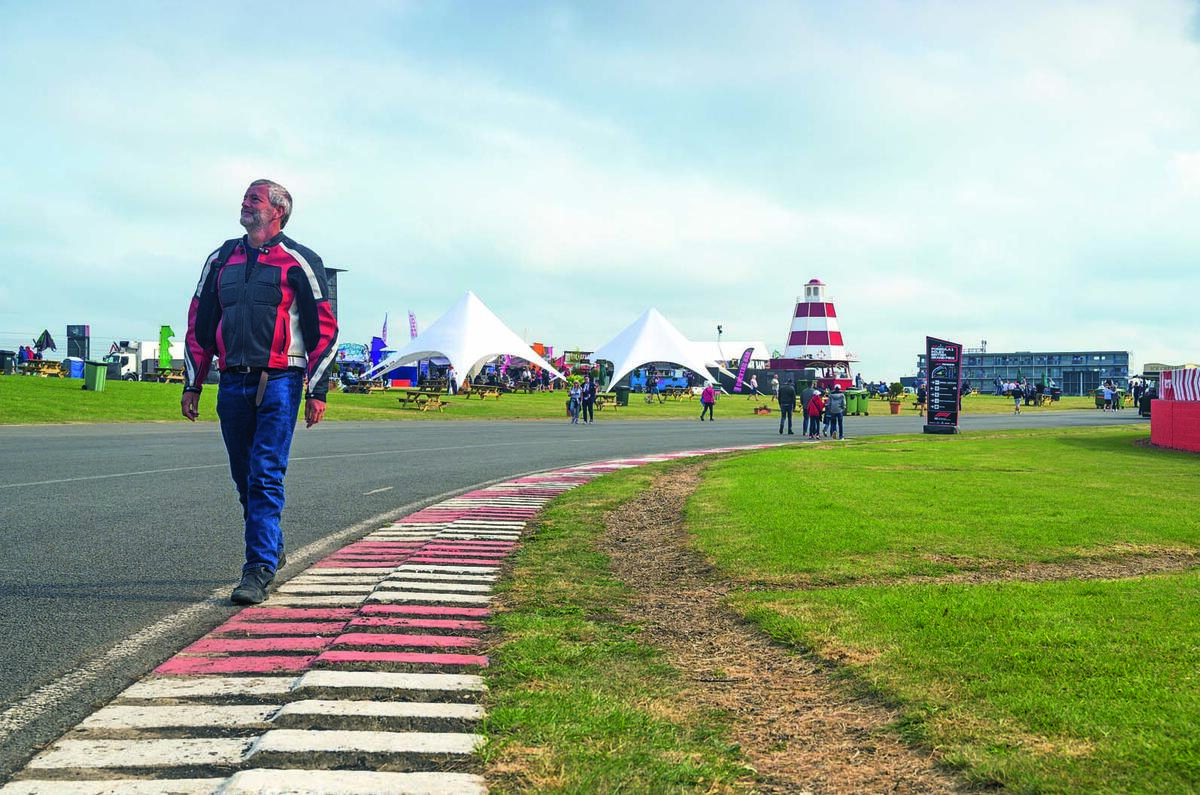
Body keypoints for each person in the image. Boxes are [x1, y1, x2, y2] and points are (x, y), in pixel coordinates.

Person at [182, 179, 339, 606]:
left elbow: (324, 330)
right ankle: (271, 547)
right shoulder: (221, 258)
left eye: (255, 199)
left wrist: (317, 390)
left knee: (265, 473)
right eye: (246, 198)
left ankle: (257, 570)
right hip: (231, 381)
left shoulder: (301, 261)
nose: (245, 204)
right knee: (244, 478)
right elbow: (199, 324)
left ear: (278, 211)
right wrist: (193, 382)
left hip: (282, 383)